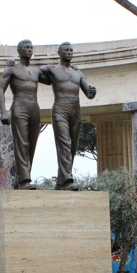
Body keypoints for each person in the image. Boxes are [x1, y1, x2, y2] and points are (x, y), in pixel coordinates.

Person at [40, 41, 97, 191]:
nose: (69, 52)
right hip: (60, 108)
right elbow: (32, 73)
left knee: (72, 147)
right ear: (59, 53)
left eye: (71, 50)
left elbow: (88, 93)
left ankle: (61, 182)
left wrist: (92, 92)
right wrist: (12, 67)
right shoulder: (52, 69)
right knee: (64, 144)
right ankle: (67, 180)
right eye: (66, 50)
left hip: (75, 109)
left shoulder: (78, 73)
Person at [0, 39, 44, 190]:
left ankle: (21, 178)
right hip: (19, 106)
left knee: (32, 144)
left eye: (31, 47)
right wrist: (3, 111)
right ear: (19, 50)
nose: (30, 49)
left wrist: (71, 67)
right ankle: (24, 180)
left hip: (34, 106)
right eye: (26, 47)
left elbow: (54, 78)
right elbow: (0, 90)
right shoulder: (11, 69)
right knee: (21, 144)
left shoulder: (36, 71)